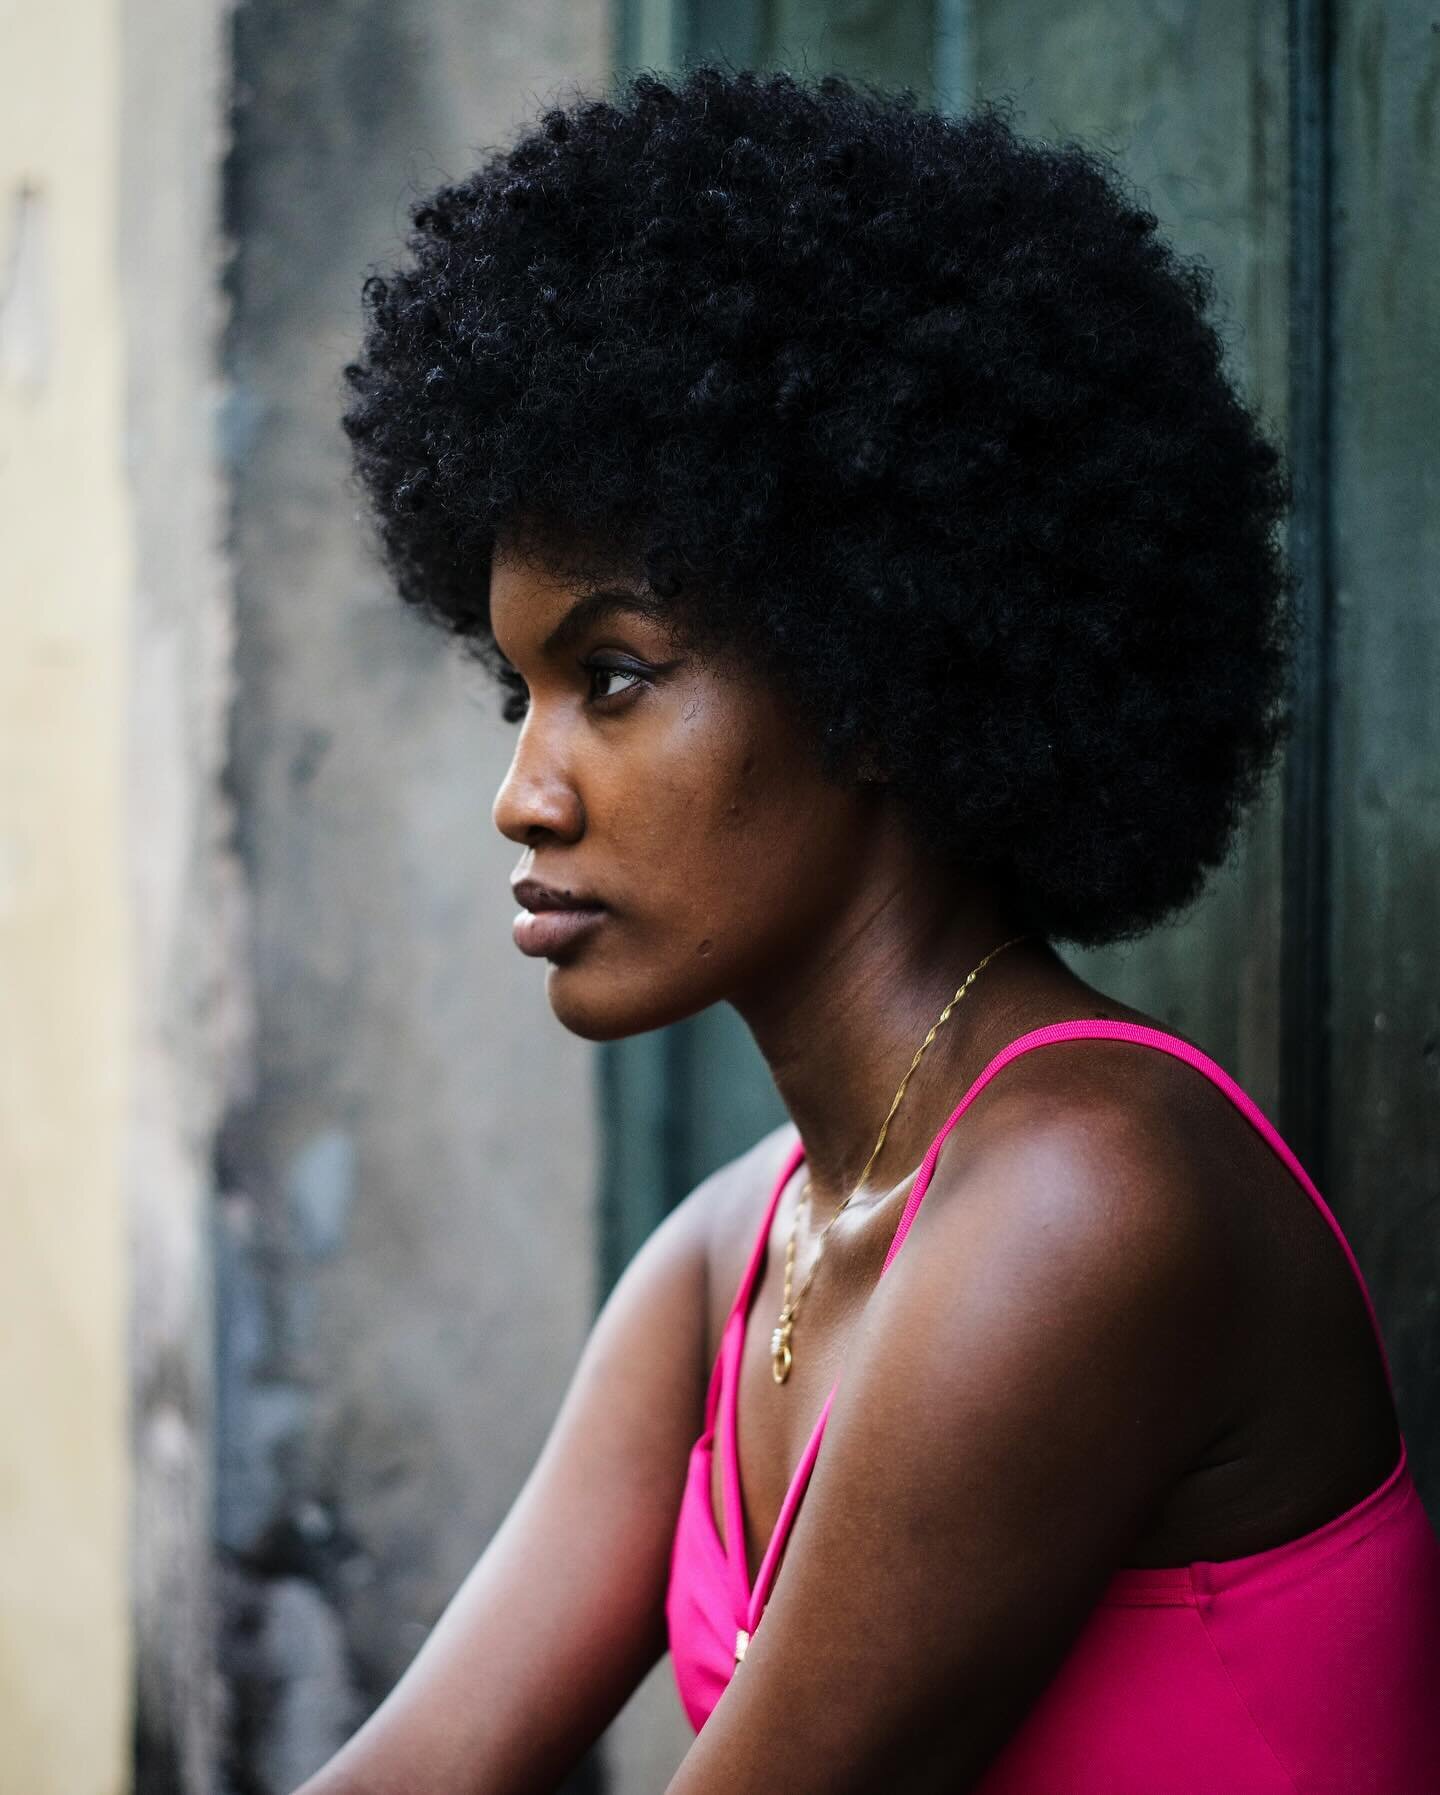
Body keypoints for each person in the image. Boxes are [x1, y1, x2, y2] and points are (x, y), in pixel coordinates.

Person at [306, 64, 1440, 1795]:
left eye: (612, 679)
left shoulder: (1085, 1200)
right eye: (519, 691)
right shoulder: (721, 1263)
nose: (524, 795)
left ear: (881, 677)